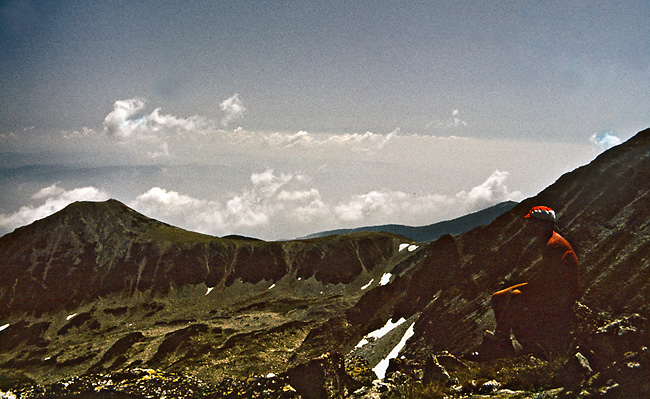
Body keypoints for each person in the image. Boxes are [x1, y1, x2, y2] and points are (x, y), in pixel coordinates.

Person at [488, 206, 580, 355]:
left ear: (541, 224)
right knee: (498, 296)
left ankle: (500, 341)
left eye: (532, 222)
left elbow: (549, 282)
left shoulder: (553, 245)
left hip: (560, 294)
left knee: (514, 296)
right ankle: (503, 340)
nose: (528, 226)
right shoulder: (549, 239)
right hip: (552, 287)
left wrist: (520, 290)